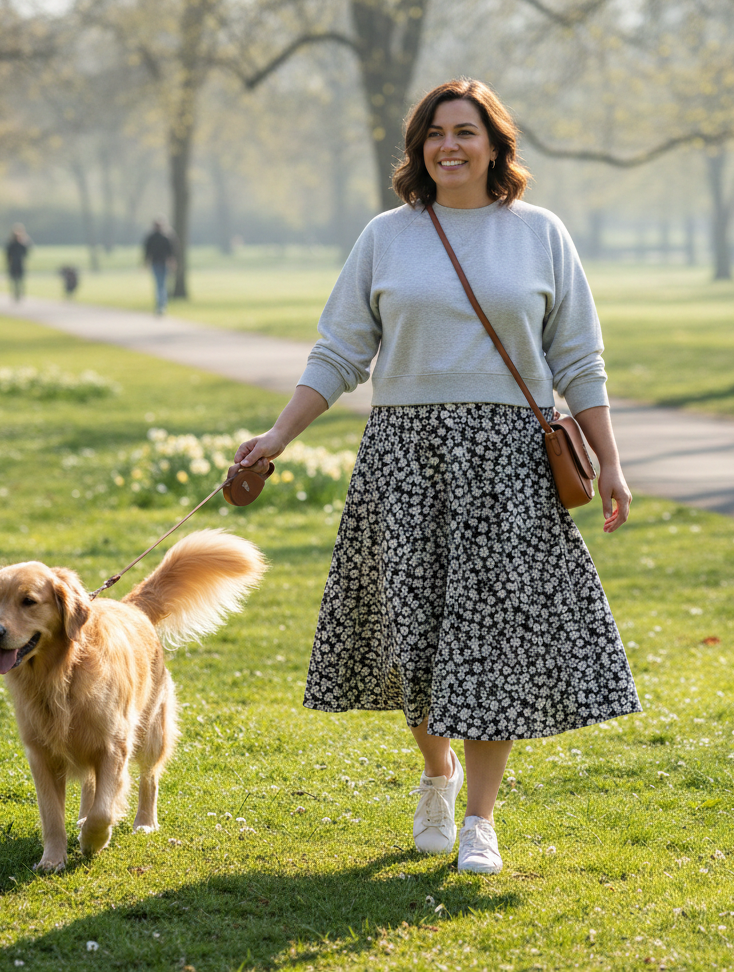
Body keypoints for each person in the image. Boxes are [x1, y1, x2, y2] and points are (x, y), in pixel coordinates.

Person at [233, 78, 641, 875]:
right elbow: (341, 351)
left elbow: (578, 360)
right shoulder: (387, 236)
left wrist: (613, 461)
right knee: (411, 634)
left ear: (496, 145)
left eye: (465, 130)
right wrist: (278, 434)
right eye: (433, 133)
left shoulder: (540, 234)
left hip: (508, 465)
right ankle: (436, 774)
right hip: (404, 459)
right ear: (418, 148)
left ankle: (481, 822)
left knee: (493, 644)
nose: (448, 145)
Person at [143, 217, 176, 315]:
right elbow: (170, 252)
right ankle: (162, 304)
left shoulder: (151, 237)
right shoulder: (165, 237)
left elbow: (147, 251)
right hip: (162, 263)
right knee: (162, 285)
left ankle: (160, 304)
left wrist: (145, 262)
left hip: (157, 264)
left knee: (159, 285)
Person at [5, 224, 31, 302]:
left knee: (20, 280)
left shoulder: (22, 244)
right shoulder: (11, 244)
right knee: (14, 281)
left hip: (20, 264)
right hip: (13, 264)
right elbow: (7, 255)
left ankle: (20, 294)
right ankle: (16, 295)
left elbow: (27, 252)